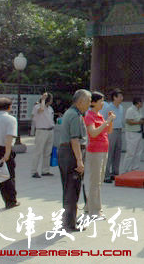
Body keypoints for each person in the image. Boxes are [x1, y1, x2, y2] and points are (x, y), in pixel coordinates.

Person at [58, 89, 91, 232]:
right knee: (72, 188)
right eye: (89, 101)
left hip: (66, 152)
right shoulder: (75, 115)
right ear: (81, 101)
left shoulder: (71, 113)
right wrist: (79, 160)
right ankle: (70, 223)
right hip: (71, 154)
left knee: (68, 188)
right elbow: (75, 139)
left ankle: (68, 220)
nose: (89, 104)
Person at [83, 92, 115, 220]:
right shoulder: (89, 116)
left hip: (103, 149)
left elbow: (109, 131)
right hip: (95, 151)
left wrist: (110, 121)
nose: (103, 103)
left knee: (99, 180)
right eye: (101, 101)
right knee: (95, 181)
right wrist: (106, 121)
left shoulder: (100, 115)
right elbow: (93, 133)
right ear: (93, 103)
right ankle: (95, 211)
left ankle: (88, 206)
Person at [31, 92, 55, 178]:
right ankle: (34, 171)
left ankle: (45, 170)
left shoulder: (50, 108)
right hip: (41, 130)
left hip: (50, 130)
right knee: (38, 151)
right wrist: (43, 99)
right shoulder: (37, 107)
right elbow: (41, 110)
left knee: (48, 152)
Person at [102, 89, 124, 183]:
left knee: (117, 152)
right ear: (114, 97)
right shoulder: (108, 108)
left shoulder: (121, 107)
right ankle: (106, 174)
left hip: (119, 130)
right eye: (120, 96)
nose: (122, 98)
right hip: (111, 131)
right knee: (109, 152)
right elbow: (103, 119)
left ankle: (115, 172)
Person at [122, 97, 144, 173]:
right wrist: (139, 122)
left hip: (139, 132)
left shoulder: (139, 110)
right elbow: (128, 121)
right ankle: (125, 170)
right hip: (132, 133)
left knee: (138, 152)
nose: (142, 104)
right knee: (131, 152)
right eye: (141, 102)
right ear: (138, 102)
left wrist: (143, 121)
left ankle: (135, 168)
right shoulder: (130, 110)